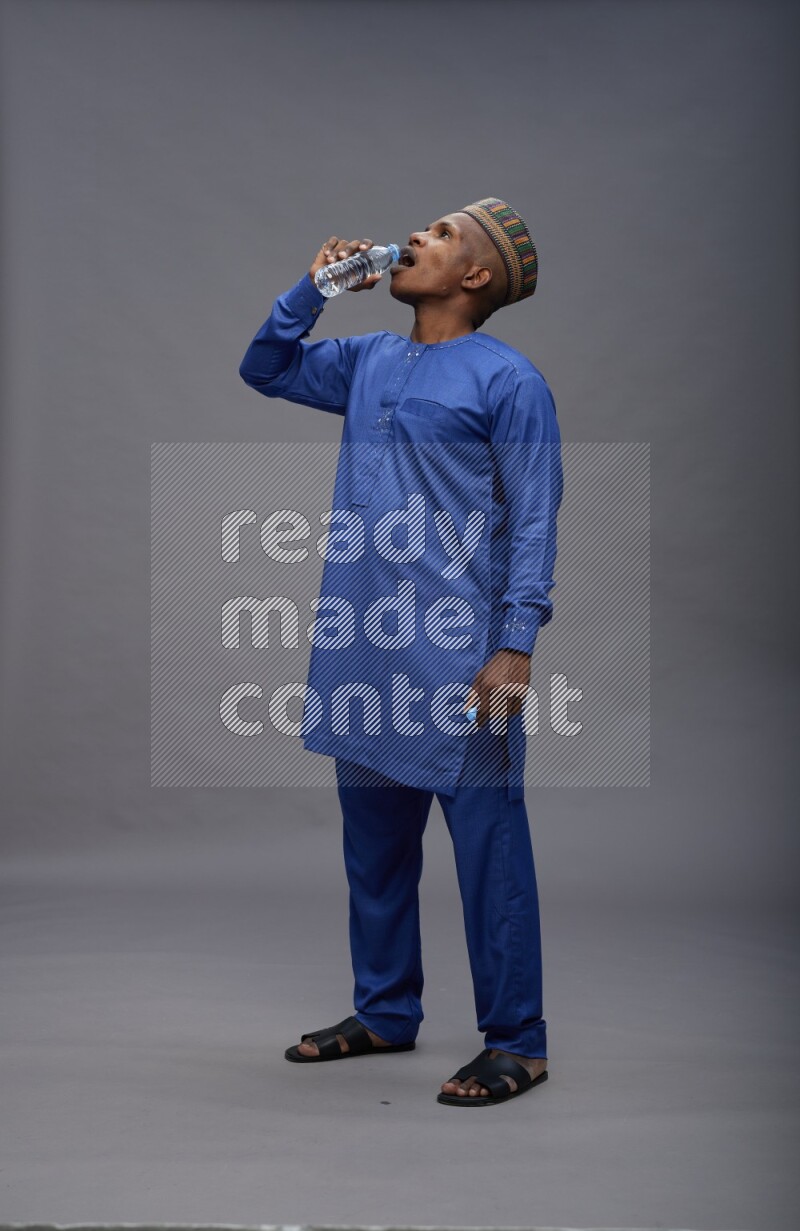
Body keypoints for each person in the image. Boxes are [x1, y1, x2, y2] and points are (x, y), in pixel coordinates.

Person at [239, 197, 563, 1106]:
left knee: (490, 853)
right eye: (425, 227)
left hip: (459, 655)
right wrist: (312, 291)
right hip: (362, 644)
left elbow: (535, 518)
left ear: (476, 276)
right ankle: (385, 1010)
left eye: (445, 233)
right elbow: (265, 367)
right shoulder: (368, 360)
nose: (418, 235)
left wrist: (515, 645)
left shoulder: (509, 381)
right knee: (374, 848)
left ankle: (520, 1040)